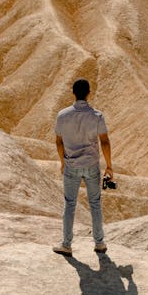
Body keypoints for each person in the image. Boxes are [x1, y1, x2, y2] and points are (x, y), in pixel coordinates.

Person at [52, 78, 113, 256]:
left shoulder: (62, 115)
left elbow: (58, 142)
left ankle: (66, 244)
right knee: (95, 203)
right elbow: (105, 142)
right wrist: (109, 166)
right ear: (88, 93)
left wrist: (63, 162)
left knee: (70, 204)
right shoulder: (96, 116)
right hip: (91, 165)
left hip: (71, 165)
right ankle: (99, 243)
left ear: (73, 92)